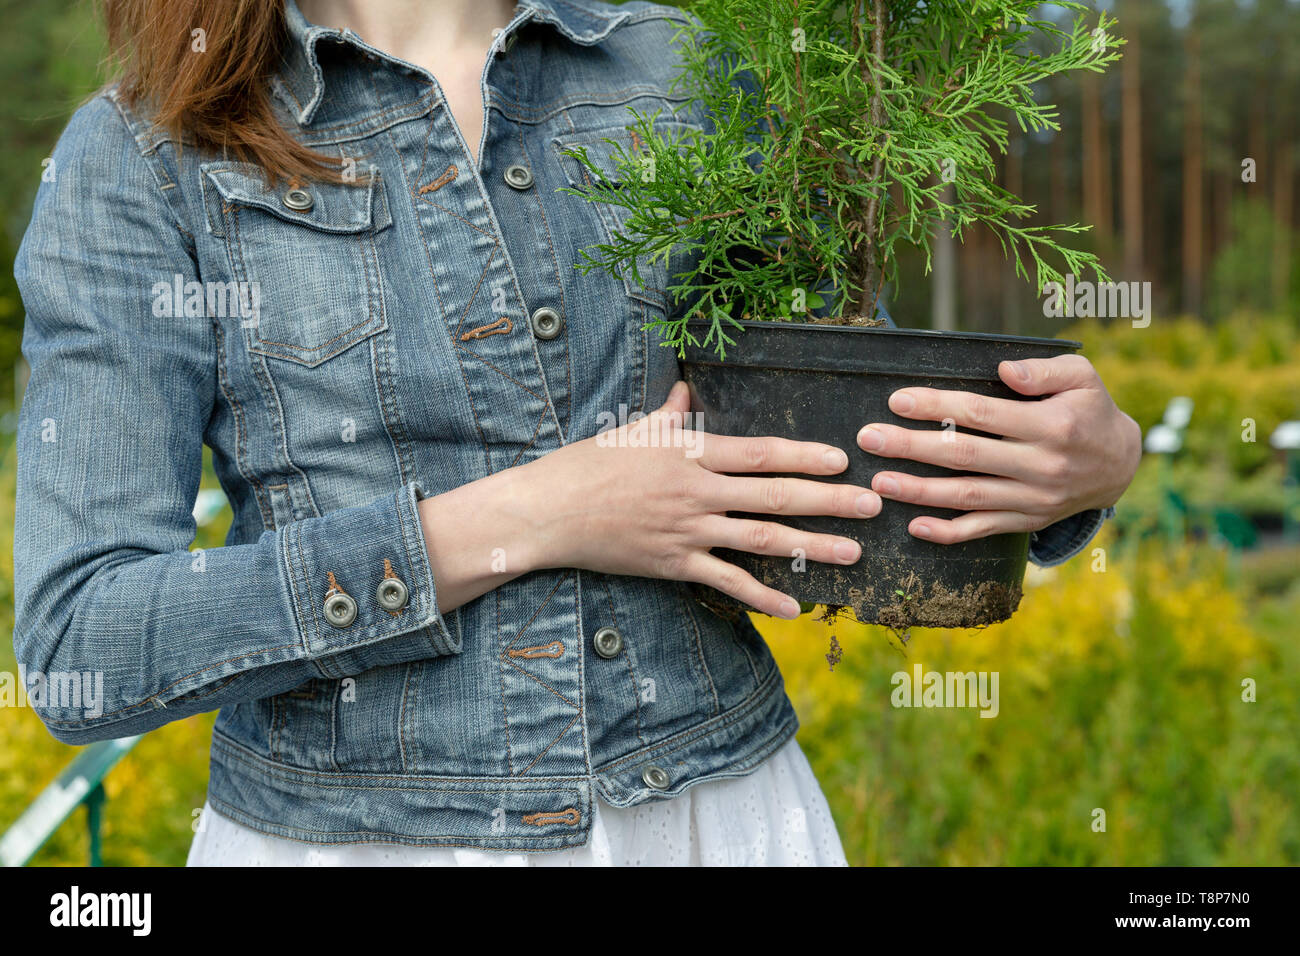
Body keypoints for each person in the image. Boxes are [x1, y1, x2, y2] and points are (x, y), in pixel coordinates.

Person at [12, 0, 1141, 866]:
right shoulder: (145, 157)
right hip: (353, 841)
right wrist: (535, 516)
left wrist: (1079, 467)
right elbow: (81, 647)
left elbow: (843, 416)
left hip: (709, 815)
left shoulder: (685, 68)